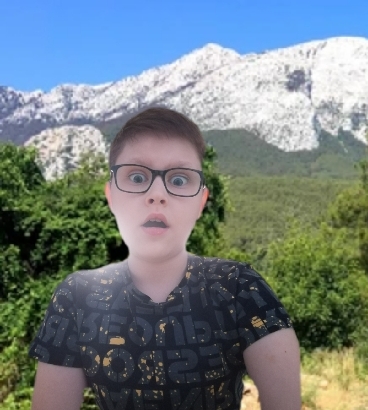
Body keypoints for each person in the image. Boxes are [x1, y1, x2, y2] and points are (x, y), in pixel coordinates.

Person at [27, 106, 301, 409]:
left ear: (201, 202)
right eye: (136, 176)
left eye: (179, 180)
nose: (157, 194)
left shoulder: (239, 288)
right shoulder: (77, 296)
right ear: (111, 196)